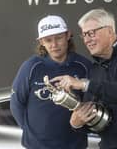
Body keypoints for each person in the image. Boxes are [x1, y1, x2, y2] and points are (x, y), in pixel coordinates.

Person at [10, 15, 92, 149]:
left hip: (75, 145)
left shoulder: (83, 65)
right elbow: (16, 103)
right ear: (41, 42)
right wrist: (30, 133)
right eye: (48, 40)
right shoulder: (31, 67)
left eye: (58, 38)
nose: (54, 45)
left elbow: (92, 103)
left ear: (68, 35)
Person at [50, 8, 117, 149]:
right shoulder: (94, 70)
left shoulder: (88, 80)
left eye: (91, 33)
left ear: (110, 32)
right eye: (84, 35)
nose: (87, 40)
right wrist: (77, 123)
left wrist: (85, 85)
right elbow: (95, 120)